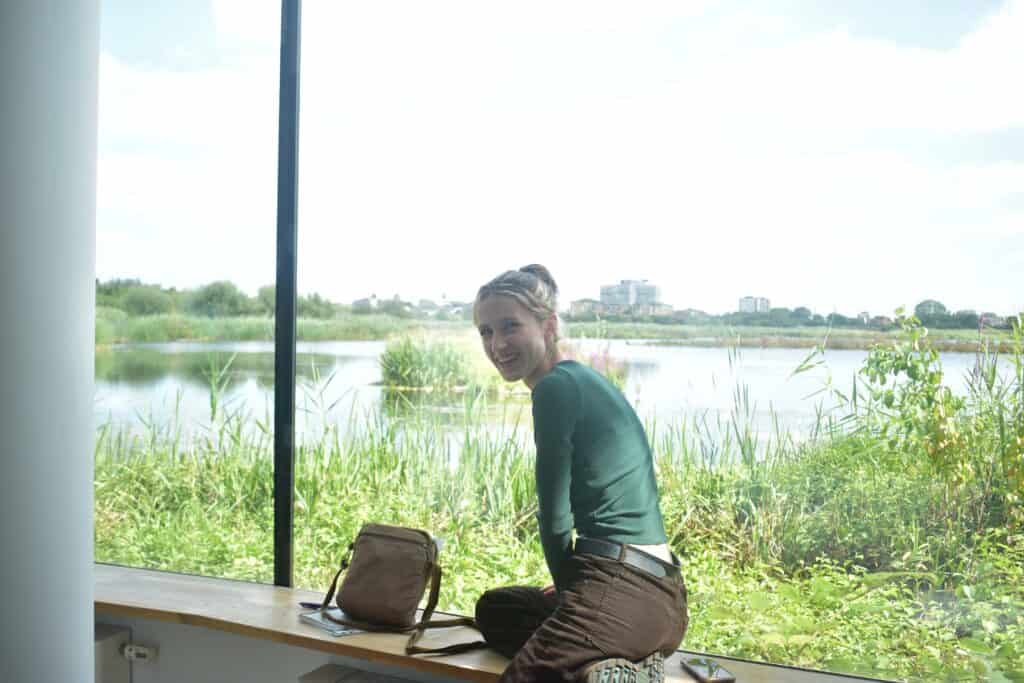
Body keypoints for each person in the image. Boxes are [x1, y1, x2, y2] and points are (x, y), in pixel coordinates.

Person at [472, 264, 688, 683]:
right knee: (498, 612)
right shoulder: (581, 378)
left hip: (625, 588)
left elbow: (555, 522)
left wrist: (572, 588)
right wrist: (578, 581)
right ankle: (614, 666)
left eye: (510, 326)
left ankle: (618, 662)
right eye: (485, 331)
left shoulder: (553, 389)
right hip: (662, 598)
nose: (497, 343)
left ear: (548, 325)